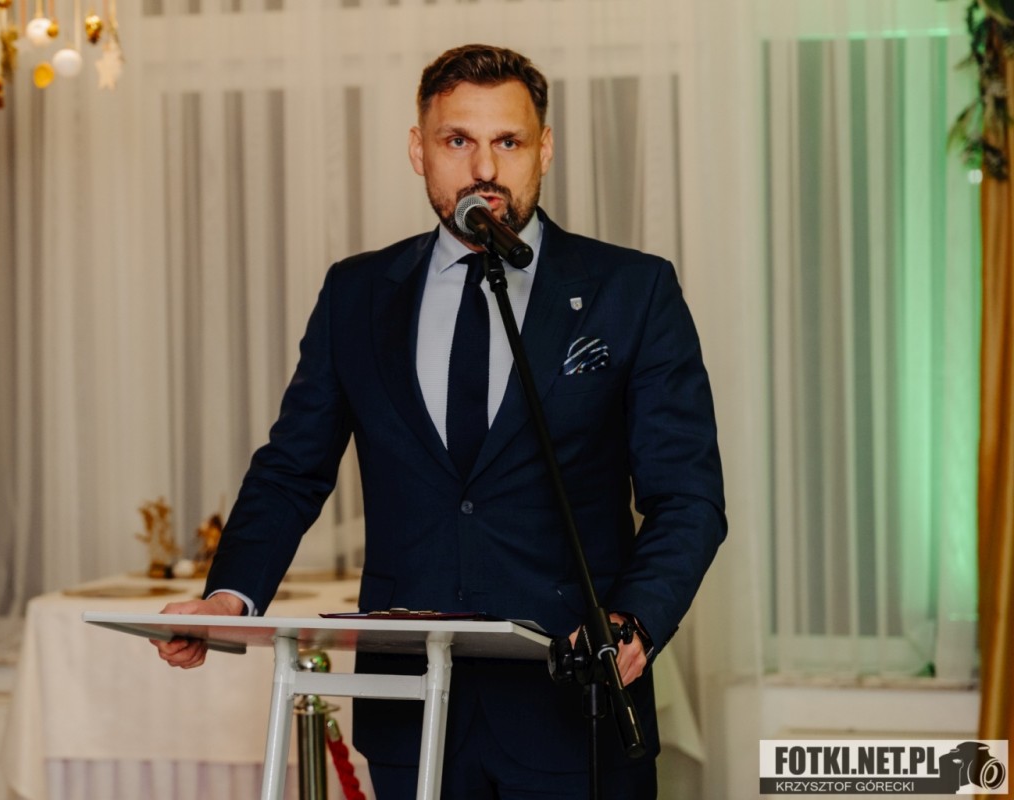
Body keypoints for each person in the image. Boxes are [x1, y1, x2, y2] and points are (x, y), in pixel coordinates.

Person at [153, 43, 726, 799]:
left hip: (572, 710)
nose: (484, 167)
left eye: (508, 141)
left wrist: (636, 620)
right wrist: (230, 596)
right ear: (418, 151)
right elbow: (292, 470)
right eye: (458, 140)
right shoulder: (356, 295)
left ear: (545, 150)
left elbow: (688, 496)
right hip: (409, 712)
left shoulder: (632, 290)